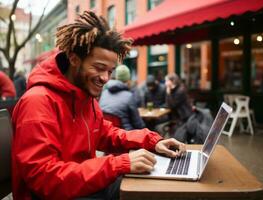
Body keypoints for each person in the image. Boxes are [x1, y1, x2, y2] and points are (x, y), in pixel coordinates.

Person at [12, 11, 186, 200]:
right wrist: (119, 164)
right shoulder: (38, 102)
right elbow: (44, 178)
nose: (105, 78)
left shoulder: (84, 97)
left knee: (153, 186)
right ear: (74, 59)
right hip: (54, 195)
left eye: (110, 71)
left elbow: (107, 133)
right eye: (99, 67)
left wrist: (153, 141)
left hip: (80, 187)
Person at [99, 64, 145, 130]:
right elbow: (138, 123)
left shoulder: (104, 93)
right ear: (128, 80)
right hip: (124, 135)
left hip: (107, 133)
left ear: (117, 77)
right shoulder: (129, 96)